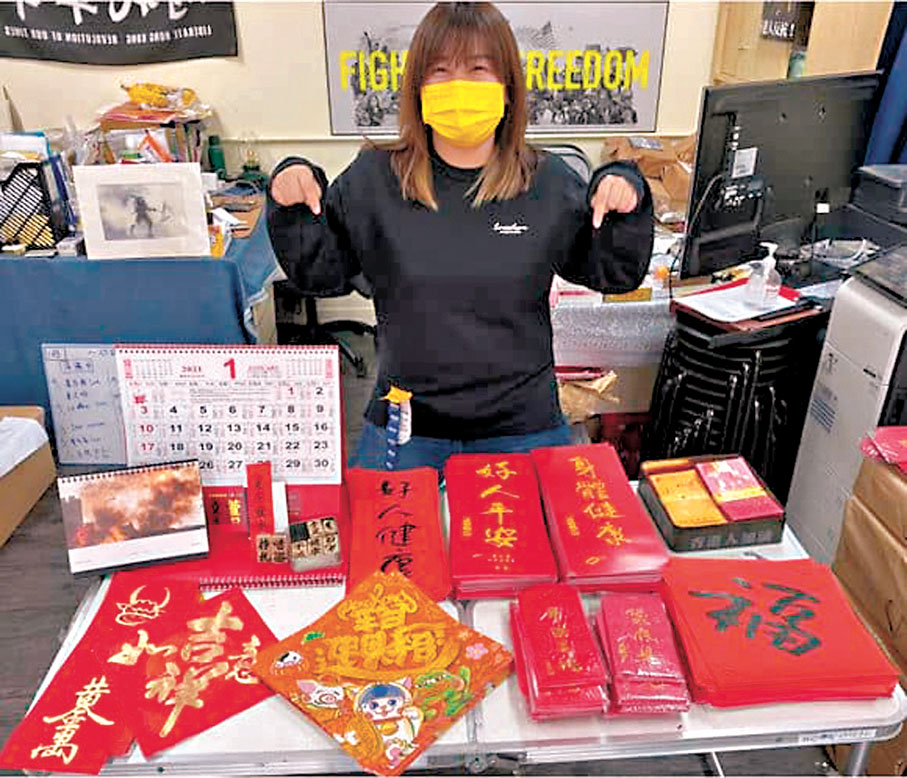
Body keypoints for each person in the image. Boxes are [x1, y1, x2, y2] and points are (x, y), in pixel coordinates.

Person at [268, 2, 653, 472]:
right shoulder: (374, 179)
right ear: (417, 87)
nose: (458, 85)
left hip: (523, 423)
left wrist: (625, 189)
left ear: (507, 87)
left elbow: (614, 273)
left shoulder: (548, 182)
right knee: (376, 521)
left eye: (478, 69)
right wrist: (292, 187)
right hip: (408, 423)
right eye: (440, 71)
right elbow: (318, 273)